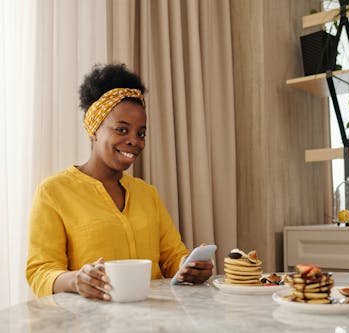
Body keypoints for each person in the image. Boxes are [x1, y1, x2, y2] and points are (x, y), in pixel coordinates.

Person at [26, 64, 213, 300]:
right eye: (122, 130)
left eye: (141, 133)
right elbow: (40, 272)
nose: (134, 141)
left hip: (155, 320)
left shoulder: (147, 193)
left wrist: (189, 267)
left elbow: (172, 258)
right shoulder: (54, 192)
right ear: (94, 130)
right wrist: (76, 280)